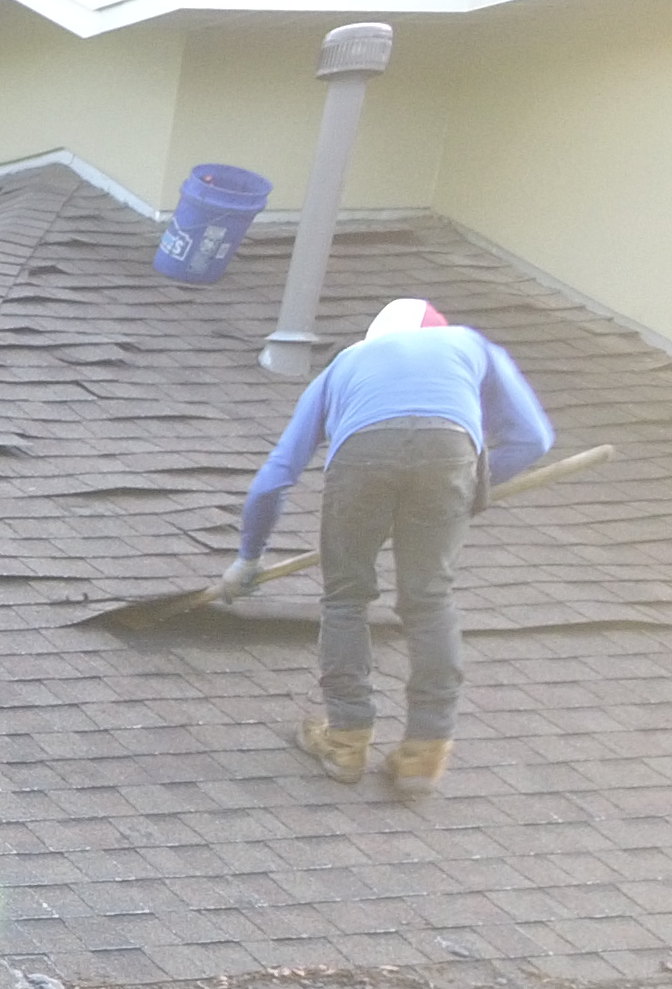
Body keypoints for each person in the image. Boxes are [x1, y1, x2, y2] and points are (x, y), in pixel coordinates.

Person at [228, 296, 553, 794]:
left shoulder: (347, 365)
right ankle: (425, 752)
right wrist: (464, 495)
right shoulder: (470, 344)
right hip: (451, 451)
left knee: (346, 597)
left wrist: (248, 557)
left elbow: (276, 477)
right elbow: (532, 439)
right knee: (429, 600)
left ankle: (346, 739)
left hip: (362, 455)